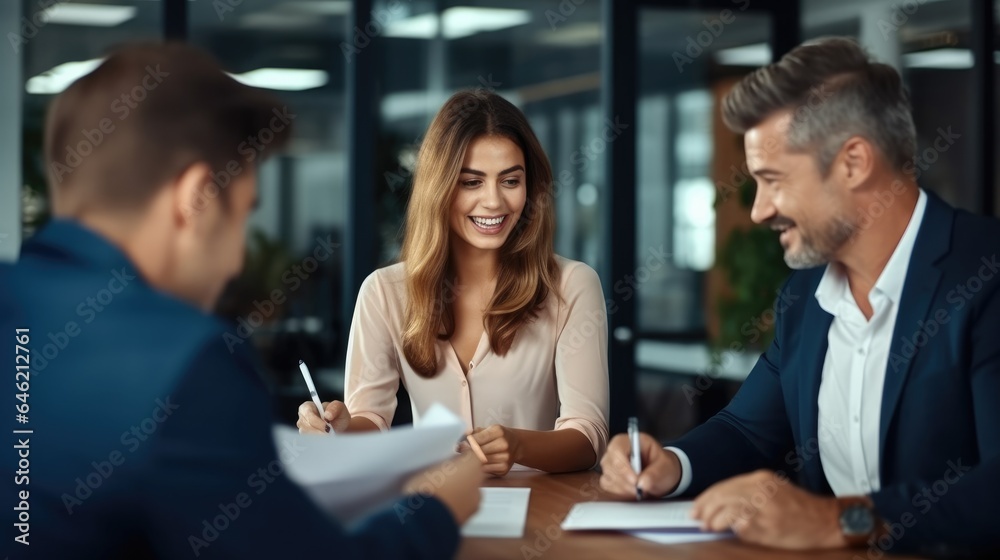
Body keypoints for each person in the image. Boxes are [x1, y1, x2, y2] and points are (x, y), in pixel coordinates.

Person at [0, 42, 482, 559]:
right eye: (243, 215)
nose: (235, 263)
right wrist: (434, 508)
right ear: (198, 199)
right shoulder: (190, 364)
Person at [600, 36, 1000, 558]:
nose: (760, 211)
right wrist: (672, 465)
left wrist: (841, 519)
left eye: (773, 180)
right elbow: (748, 430)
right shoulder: (806, 296)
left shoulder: (985, 275)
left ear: (854, 162)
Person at [297, 90, 609, 476]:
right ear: (440, 187)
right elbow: (371, 420)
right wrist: (337, 430)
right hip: (431, 508)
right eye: (472, 182)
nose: (494, 201)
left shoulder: (573, 286)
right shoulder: (383, 293)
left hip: (536, 511)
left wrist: (519, 445)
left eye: (510, 180)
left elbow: (588, 437)